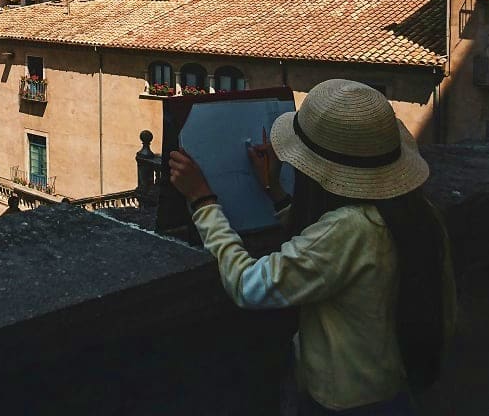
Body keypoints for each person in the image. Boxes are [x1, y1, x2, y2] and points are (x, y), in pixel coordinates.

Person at [168, 79, 455, 415]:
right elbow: (328, 252)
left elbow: (249, 285)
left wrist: (203, 202)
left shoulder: (348, 231)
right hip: (394, 390)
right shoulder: (418, 213)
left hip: (344, 404)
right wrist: (276, 193)